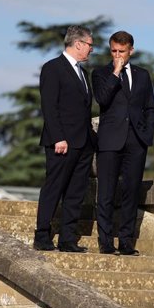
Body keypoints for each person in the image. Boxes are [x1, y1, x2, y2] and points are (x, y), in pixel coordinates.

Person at [91, 31, 154, 255]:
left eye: (122, 51)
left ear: (131, 51)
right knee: (106, 193)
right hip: (110, 140)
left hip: (136, 142)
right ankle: (106, 242)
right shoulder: (100, 73)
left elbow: (150, 107)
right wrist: (116, 72)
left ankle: (127, 241)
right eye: (113, 51)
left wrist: (148, 134)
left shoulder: (143, 75)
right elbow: (102, 99)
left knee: (131, 191)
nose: (117, 54)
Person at [33, 25, 96, 253]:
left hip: (83, 143)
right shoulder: (53, 68)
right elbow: (49, 106)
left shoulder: (84, 73)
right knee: (54, 188)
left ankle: (68, 239)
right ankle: (42, 235)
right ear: (78, 44)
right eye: (90, 45)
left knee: (75, 192)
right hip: (61, 143)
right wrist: (59, 137)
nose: (91, 50)